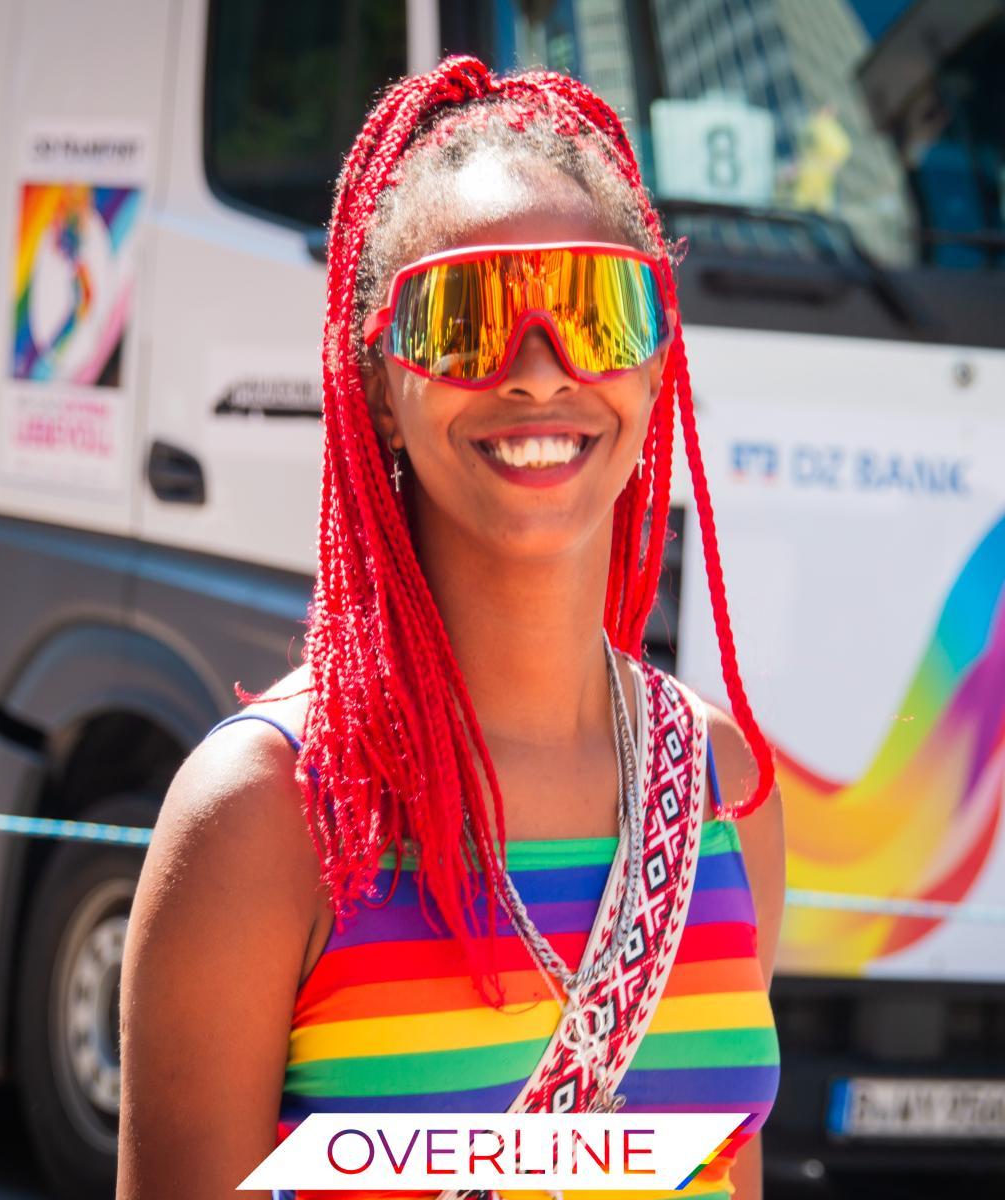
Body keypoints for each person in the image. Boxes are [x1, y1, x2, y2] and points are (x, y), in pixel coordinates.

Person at [117, 58, 786, 1200]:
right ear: (377, 374)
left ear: (657, 356)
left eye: (594, 310)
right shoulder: (267, 814)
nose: (538, 374)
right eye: (467, 318)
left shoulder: (722, 791)